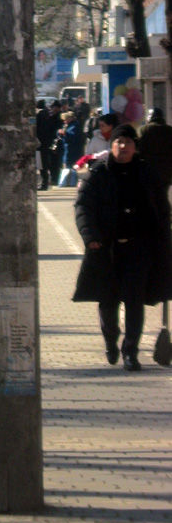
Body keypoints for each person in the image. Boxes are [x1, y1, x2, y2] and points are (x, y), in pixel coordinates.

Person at [74, 124, 172, 371]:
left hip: (140, 249)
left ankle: (131, 351)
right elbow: (83, 206)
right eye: (119, 142)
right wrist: (90, 236)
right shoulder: (99, 174)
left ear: (135, 146)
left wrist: (163, 236)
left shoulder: (147, 174)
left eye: (128, 142)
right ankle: (110, 339)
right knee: (108, 301)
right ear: (112, 145)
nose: (123, 146)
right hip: (107, 249)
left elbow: (162, 208)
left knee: (134, 300)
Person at [138, 108, 172, 189]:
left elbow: (139, 149)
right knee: (162, 194)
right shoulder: (170, 130)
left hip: (148, 170)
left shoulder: (143, 129)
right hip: (166, 171)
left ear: (150, 117)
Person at [36, 100, 61, 189]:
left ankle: (45, 182)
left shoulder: (40, 115)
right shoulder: (52, 116)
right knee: (50, 163)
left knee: (43, 164)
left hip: (42, 143)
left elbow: (37, 129)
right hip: (50, 142)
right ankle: (50, 181)